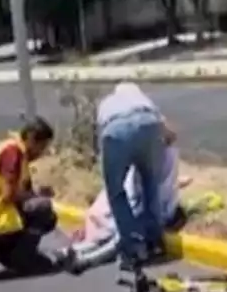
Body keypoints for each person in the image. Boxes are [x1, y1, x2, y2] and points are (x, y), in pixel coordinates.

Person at [53, 136, 186, 274]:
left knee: (109, 238)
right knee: (121, 239)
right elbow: (144, 195)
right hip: (127, 213)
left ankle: (72, 253)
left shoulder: (141, 157)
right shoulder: (159, 160)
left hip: (112, 210)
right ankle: (85, 260)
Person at [97, 82, 174, 272]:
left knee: (116, 191)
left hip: (116, 129)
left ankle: (134, 248)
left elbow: (104, 136)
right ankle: (154, 241)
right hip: (150, 124)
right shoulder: (144, 101)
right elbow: (169, 132)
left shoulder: (108, 103)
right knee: (150, 184)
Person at [0, 117, 59, 274]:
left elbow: (18, 190)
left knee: (47, 215)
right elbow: (7, 195)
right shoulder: (12, 154)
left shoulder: (17, 151)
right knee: (43, 209)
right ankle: (21, 259)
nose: (42, 153)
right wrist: (36, 196)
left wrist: (35, 193)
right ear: (31, 140)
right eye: (42, 147)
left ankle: (7, 252)